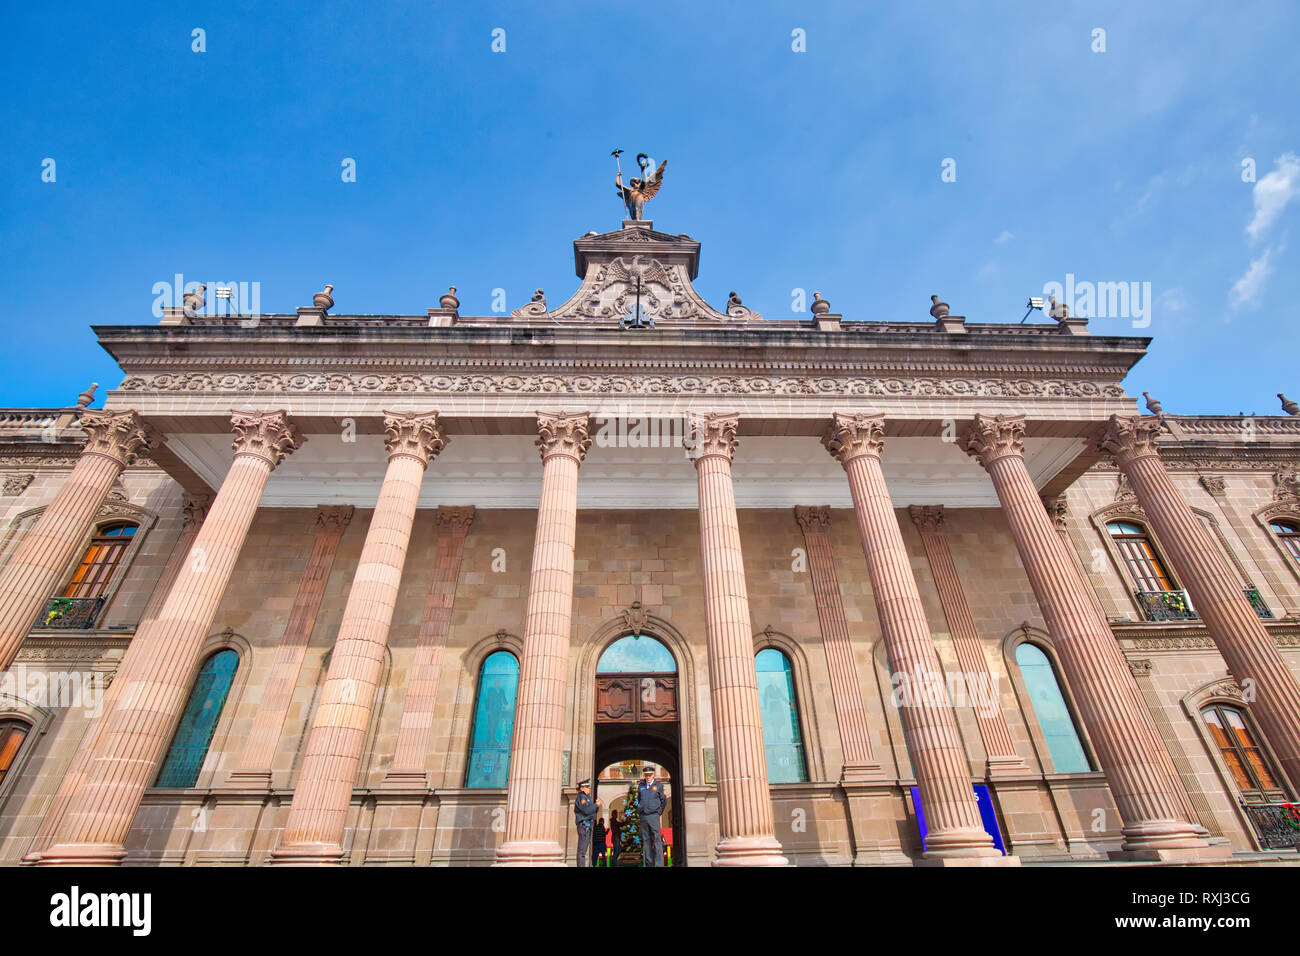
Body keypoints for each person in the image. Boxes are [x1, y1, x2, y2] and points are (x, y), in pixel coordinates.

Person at [637, 765, 667, 867]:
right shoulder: (641, 786)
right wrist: (640, 810)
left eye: (649, 775)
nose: (648, 777)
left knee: (657, 840)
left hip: (654, 815)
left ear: (653, 774)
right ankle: (649, 864)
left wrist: (658, 812)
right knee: (646, 841)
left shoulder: (658, 786)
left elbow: (664, 800)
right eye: (646, 775)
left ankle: (659, 864)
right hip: (644, 816)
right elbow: (639, 799)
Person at [574, 779, 601, 867]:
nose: (589, 789)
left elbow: (592, 811)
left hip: (588, 824)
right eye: (587, 787)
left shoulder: (587, 798)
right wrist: (596, 805)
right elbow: (586, 810)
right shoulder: (582, 797)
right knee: (582, 849)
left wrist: (595, 807)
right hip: (584, 824)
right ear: (582, 788)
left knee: (584, 848)